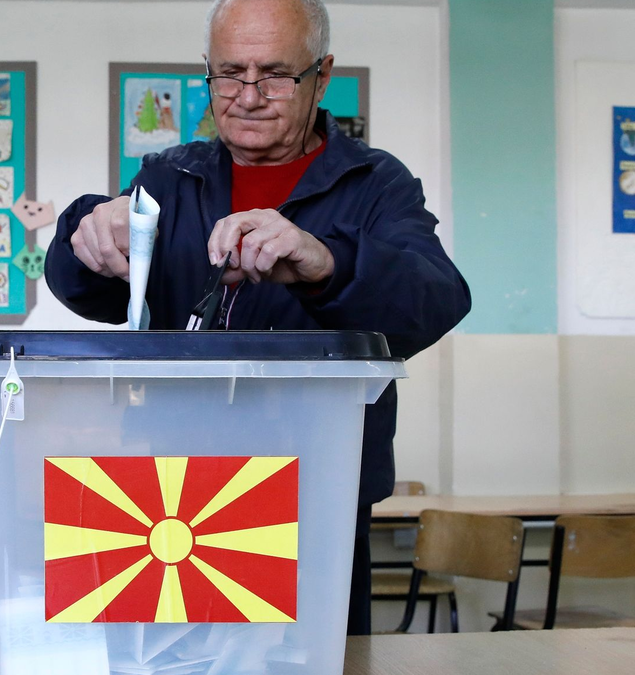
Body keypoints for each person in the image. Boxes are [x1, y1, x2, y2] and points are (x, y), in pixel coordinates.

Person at [46, 0, 470, 635]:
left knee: (318, 661)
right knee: (176, 660)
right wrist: (88, 230)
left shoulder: (374, 184)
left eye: (275, 73)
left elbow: (436, 300)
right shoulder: (171, 176)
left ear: (322, 76)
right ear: (207, 73)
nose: (248, 96)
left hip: (318, 489)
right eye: (228, 73)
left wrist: (327, 263)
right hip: (170, 493)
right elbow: (93, 292)